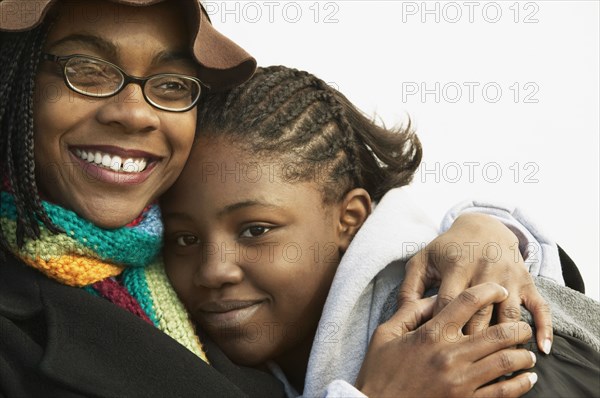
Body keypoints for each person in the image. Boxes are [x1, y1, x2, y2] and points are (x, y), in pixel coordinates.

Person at [0, 0, 566, 396]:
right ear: (14, 79)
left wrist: (487, 228)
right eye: (87, 71)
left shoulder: (462, 332)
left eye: (171, 84)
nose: (133, 111)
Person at [161, 65, 600, 397]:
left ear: (348, 219)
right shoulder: (212, 361)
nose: (213, 270)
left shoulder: (479, 349)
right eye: (184, 239)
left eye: (256, 230)